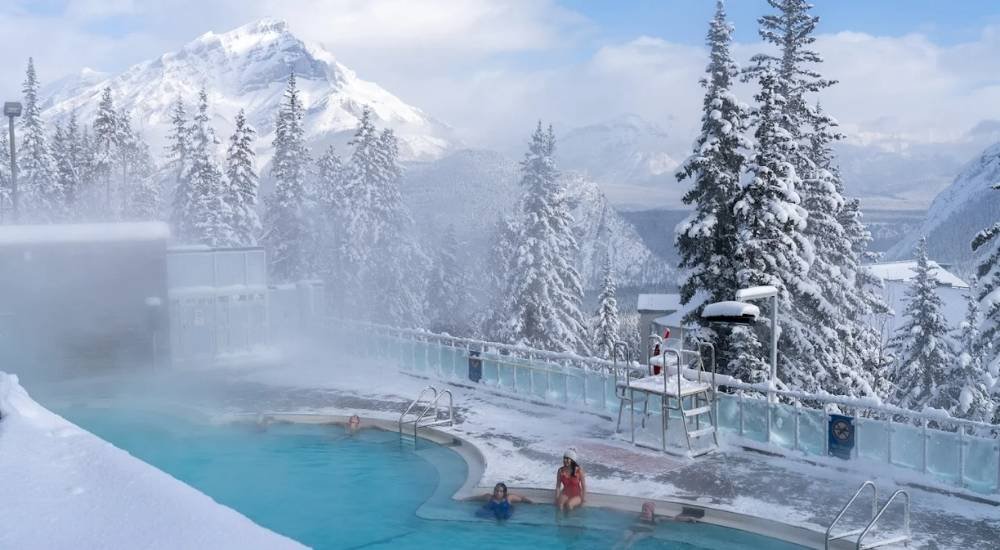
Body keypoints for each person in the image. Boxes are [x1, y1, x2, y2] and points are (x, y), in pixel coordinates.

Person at [555, 448, 586, 513]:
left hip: (577, 495)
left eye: (567, 458)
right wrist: (557, 497)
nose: (565, 460)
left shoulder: (579, 470)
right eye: (564, 458)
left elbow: (584, 486)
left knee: (569, 505)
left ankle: (570, 522)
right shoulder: (561, 470)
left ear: (572, 460)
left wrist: (583, 498)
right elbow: (558, 486)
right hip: (565, 493)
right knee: (560, 504)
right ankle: (559, 521)